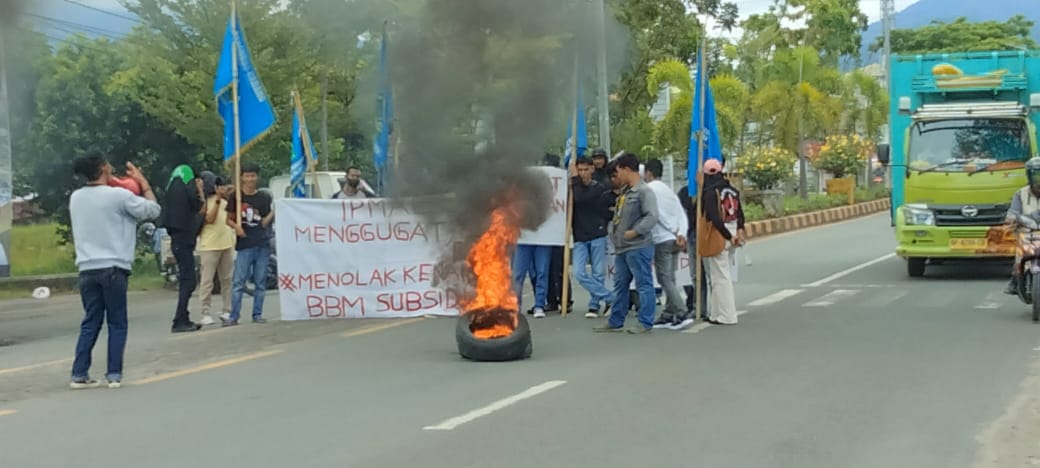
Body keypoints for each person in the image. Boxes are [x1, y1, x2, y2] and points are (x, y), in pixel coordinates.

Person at [68, 154, 161, 389]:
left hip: (87, 268)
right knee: (117, 322)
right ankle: (113, 374)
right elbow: (153, 210)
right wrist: (143, 183)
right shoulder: (119, 196)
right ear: (102, 168)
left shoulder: (76, 198)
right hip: (114, 267)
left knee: (91, 322)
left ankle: (79, 373)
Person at [595, 152, 659, 334]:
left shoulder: (643, 191)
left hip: (638, 246)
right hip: (622, 247)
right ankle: (616, 320)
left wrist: (635, 231)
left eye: (618, 171)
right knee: (620, 284)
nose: (617, 176)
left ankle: (645, 321)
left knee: (643, 284)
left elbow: (652, 215)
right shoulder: (625, 192)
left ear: (626, 169)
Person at [644, 159, 691, 330]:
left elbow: (657, 214)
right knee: (670, 277)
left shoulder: (650, 190)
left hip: (662, 238)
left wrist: (672, 230)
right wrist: (681, 233)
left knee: (664, 277)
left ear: (648, 173)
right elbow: (681, 213)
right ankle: (669, 313)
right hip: (675, 238)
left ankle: (681, 310)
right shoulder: (669, 191)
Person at [225, 163, 274, 326]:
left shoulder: (264, 197)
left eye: (253, 175)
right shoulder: (236, 197)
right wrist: (236, 227)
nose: (250, 179)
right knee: (239, 282)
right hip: (245, 245)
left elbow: (265, 222)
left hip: (262, 243)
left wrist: (274, 212)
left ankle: (257, 314)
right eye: (247, 176)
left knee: (260, 281)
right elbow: (228, 219)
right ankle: (234, 315)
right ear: (241, 177)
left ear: (257, 177)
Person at [699, 159, 745, 325]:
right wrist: (738, 232)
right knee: (719, 275)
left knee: (720, 277)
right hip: (733, 232)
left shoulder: (711, 192)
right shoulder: (732, 190)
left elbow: (714, 218)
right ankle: (716, 313)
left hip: (721, 235)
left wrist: (727, 236)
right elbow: (740, 214)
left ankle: (728, 315)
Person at [159, 165, 205, 333]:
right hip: (184, 240)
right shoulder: (187, 194)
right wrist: (199, 190)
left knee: (187, 280)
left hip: (178, 240)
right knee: (188, 281)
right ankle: (179, 320)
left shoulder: (172, 191)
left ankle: (183, 317)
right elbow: (199, 207)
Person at [570, 157, 613, 318]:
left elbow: (582, 198)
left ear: (592, 169)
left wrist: (574, 180)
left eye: (585, 169)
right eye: (579, 170)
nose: (582, 173)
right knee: (579, 272)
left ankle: (594, 305)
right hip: (580, 235)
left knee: (598, 273)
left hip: (597, 233)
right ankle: (610, 297)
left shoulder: (599, 188)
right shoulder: (573, 187)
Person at [196, 172, 235, 325]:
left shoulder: (226, 202)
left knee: (227, 279)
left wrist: (225, 193)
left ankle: (227, 310)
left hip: (226, 243)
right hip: (209, 246)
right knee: (207, 281)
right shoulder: (204, 203)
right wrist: (218, 199)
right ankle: (205, 312)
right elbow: (210, 219)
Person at [1004, 157, 1040, 294]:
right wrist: (1012, 221)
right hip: (1026, 233)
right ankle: (1015, 280)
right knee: (1019, 259)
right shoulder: (1020, 194)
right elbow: (1012, 214)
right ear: (1029, 176)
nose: (1039, 181)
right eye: (1036, 176)